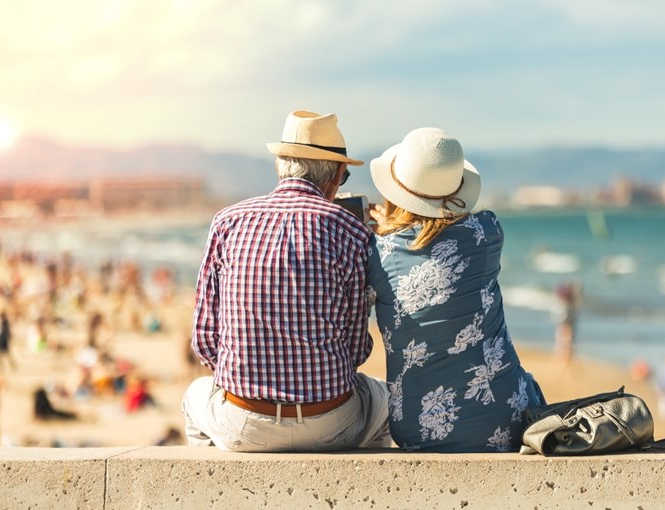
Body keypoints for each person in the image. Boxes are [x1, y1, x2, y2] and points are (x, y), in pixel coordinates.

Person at [182, 110, 390, 452]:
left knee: (194, 396)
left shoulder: (227, 222)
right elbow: (356, 351)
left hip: (243, 423)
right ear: (337, 175)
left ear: (280, 165)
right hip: (330, 422)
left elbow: (205, 342)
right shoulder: (351, 231)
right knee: (382, 400)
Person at [366, 127, 545, 452]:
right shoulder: (487, 233)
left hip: (417, 428)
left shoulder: (376, 251)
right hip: (504, 419)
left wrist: (384, 230)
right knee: (527, 383)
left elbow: (407, 248)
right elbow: (440, 235)